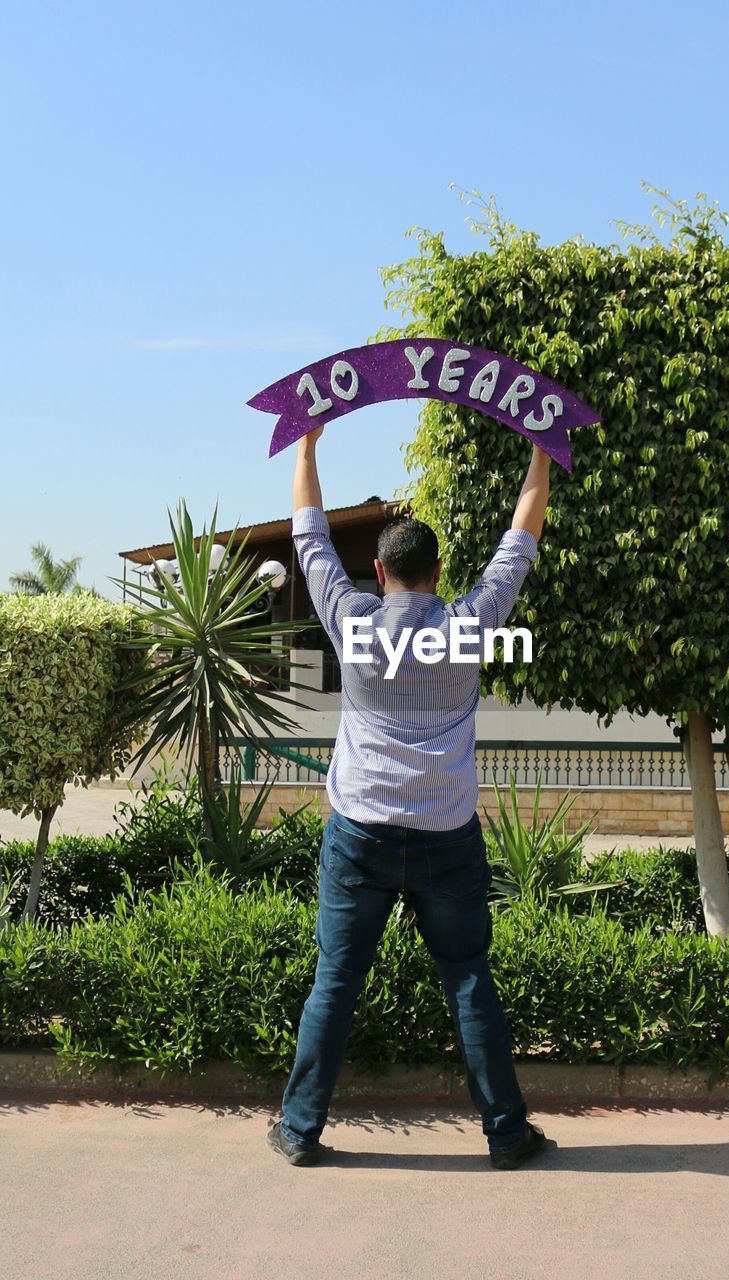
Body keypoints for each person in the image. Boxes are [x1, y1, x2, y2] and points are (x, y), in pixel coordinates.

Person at [266, 423, 552, 1171]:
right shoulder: (467, 624)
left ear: (378, 570)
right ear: (436, 571)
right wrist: (540, 452)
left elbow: (308, 539)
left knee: (335, 981)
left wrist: (306, 449)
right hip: (446, 836)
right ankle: (507, 1135)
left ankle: (299, 1130)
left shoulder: (351, 620)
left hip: (359, 831)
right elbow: (519, 540)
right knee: (468, 981)